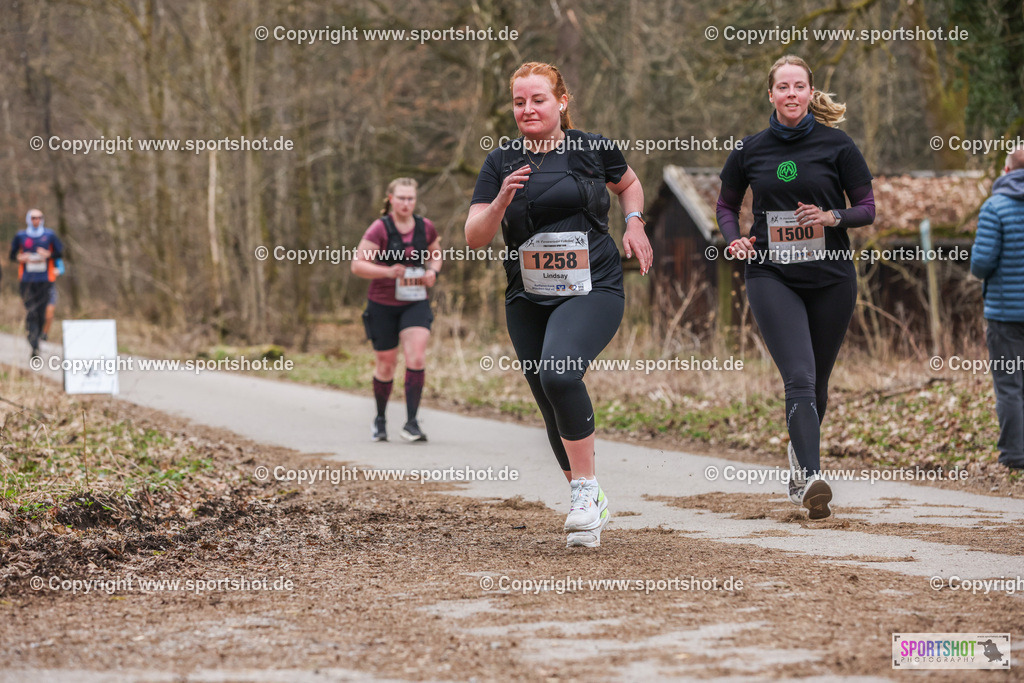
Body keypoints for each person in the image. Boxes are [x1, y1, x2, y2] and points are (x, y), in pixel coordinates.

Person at [466, 62, 653, 548]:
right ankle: (585, 507)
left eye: (538, 100)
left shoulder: (593, 148)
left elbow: (629, 184)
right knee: (549, 400)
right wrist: (501, 202)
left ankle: (588, 492)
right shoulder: (500, 161)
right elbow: (474, 237)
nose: (528, 109)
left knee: (560, 373)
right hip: (527, 294)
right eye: (519, 102)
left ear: (562, 102)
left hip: (594, 286)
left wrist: (634, 221)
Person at [716, 55, 876, 519]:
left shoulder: (838, 146)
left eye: (798, 86)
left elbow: (867, 207)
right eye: (782, 87)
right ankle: (810, 478)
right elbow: (726, 206)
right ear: (770, 94)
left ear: (809, 93)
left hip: (831, 277)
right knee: (799, 378)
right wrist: (734, 241)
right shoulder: (750, 151)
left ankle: (797, 463)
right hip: (772, 274)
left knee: (818, 384)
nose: (790, 94)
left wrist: (832, 217)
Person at [352, 178, 441, 442]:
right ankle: (380, 419)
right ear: (390, 199)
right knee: (386, 365)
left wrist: (433, 272)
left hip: (415, 301)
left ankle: (412, 423)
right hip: (382, 304)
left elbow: (436, 253)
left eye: (410, 198)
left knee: (416, 356)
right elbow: (357, 265)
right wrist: (387, 271)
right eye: (401, 198)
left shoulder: (425, 227)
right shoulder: (380, 228)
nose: (406, 203)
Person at [970, 147, 1024, 470]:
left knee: (1009, 384)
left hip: (1005, 315)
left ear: (1006, 172)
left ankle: (1015, 456)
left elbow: (980, 264)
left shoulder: (995, 208)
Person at [10, 209, 64, 359]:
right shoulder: (21, 236)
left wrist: (48, 255)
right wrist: (21, 258)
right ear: (28, 219)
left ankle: (38, 338)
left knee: (42, 314)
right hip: (27, 281)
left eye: (39, 218)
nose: (36, 220)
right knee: (31, 311)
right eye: (33, 218)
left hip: (45, 280)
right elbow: (12, 255)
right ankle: (33, 340)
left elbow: (60, 254)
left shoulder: (50, 235)